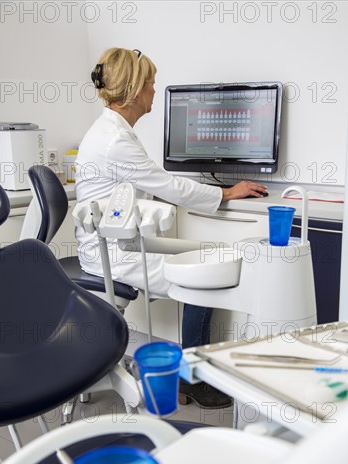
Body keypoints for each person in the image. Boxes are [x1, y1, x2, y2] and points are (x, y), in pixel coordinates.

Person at [75, 47, 268, 409]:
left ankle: (191, 372)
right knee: (204, 277)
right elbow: (169, 187)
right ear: (133, 91)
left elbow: (153, 182)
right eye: (150, 85)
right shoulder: (115, 140)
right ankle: (190, 378)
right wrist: (227, 192)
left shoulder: (111, 132)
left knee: (204, 257)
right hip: (115, 256)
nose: (153, 92)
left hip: (115, 244)